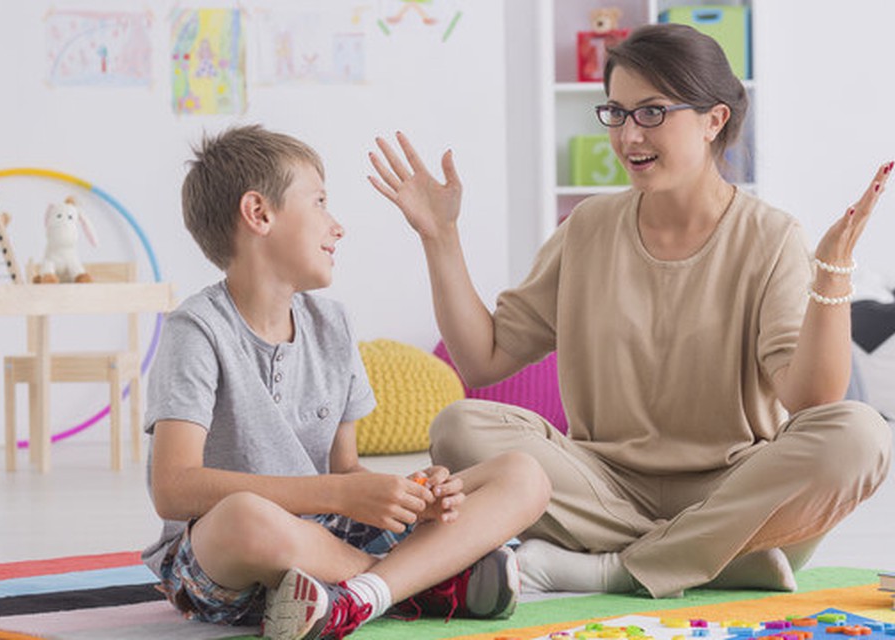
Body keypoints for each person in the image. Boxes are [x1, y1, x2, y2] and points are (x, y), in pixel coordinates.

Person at [368, 23, 893, 600]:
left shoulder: (771, 237)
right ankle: (716, 557)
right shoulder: (588, 227)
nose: (627, 135)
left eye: (650, 113)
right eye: (616, 113)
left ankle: (616, 569)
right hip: (600, 485)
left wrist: (834, 268)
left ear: (714, 119)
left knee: (861, 435)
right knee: (458, 426)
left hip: (732, 484)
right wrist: (440, 237)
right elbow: (483, 361)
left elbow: (811, 400)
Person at [142, 124, 551, 639]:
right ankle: (419, 583)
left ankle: (359, 596)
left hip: (328, 539)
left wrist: (410, 495)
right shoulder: (196, 330)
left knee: (523, 474)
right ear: (259, 214)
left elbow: (347, 469)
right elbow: (173, 489)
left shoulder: (333, 324)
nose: (337, 227)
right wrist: (341, 493)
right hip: (228, 559)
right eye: (319, 202)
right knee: (245, 516)